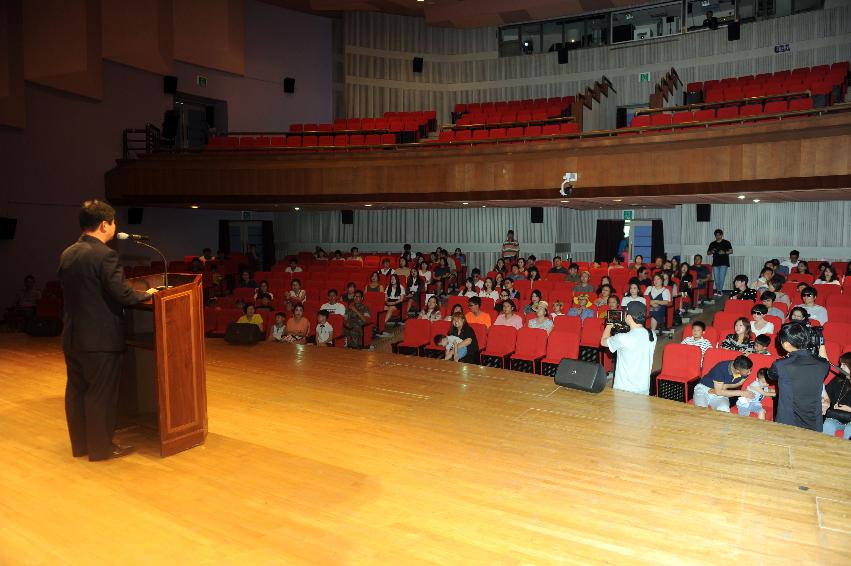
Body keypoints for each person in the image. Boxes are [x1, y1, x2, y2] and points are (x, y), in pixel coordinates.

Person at [58, 200, 157, 461]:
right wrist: (147, 294)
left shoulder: (68, 253)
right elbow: (122, 295)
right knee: (100, 394)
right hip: (100, 338)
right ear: (104, 224)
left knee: (77, 391)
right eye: (114, 222)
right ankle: (101, 449)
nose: (115, 227)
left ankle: (81, 446)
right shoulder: (105, 255)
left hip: (73, 336)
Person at [768, 322, 830, 431]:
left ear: (786, 344)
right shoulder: (823, 365)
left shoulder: (780, 365)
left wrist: (787, 359)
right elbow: (823, 364)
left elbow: (771, 375)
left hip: (787, 423)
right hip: (814, 423)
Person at [601, 301, 656, 395]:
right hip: (643, 388)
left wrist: (609, 324)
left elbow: (603, 342)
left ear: (629, 317)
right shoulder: (652, 334)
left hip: (624, 389)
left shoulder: (623, 338)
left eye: (625, 313)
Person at [822, 352, 851, 439]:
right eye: (841, 364)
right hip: (836, 417)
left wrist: (849, 409)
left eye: (844, 365)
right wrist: (825, 402)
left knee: (850, 429)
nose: (840, 367)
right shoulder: (839, 379)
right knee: (828, 425)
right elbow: (826, 395)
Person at [707, 229, 732, 296]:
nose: (717, 236)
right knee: (716, 278)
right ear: (715, 235)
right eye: (716, 235)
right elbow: (708, 253)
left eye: (719, 235)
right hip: (715, 262)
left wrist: (724, 252)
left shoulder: (726, 242)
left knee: (721, 277)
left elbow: (731, 251)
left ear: (721, 235)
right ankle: (718, 290)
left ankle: (719, 290)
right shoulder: (712, 243)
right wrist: (711, 251)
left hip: (724, 262)